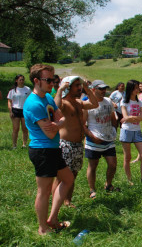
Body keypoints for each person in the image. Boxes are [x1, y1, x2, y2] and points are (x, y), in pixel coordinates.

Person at [23, 64, 74, 235]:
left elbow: (61, 120)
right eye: (48, 80)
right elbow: (50, 133)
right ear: (36, 81)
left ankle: (52, 218)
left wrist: (57, 124)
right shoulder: (34, 103)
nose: (52, 83)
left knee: (67, 178)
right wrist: (59, 123)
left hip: (52, 149)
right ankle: (42, 228)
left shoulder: (48, 98)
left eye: (54, 79)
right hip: (42, 150)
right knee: (44, 191)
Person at [53, 76, 98, 208]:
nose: (79, 88)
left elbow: (95, 104)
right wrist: (60, 90)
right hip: (66, 145)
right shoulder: (64, 103)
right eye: (77, 85)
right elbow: (56, 106)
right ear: (68, 87)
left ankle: (67, 201)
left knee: (73, 175)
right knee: (61, 177)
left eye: (80, 85)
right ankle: (56, 204)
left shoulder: (79, 102)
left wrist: (87, 88)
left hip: (78, 145)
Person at [83, 80, 119, 198]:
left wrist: (114, 129)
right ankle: (92, 189)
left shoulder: (108, 101)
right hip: (94, 140)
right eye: (101, 89)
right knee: (93, 166)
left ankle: (108, 184)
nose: (104, 91)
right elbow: (82, 124)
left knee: (113, 164)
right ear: (93, 89)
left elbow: (113, 117)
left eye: (105, 88)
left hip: (108, 138)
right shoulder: (87, 104)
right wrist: (91, 137)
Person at [121, 80, 142, 184]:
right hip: (126, 131)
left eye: (138, 88)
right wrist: (134, 118)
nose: (138, 90)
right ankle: (129, 180)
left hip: (137, 131)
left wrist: (131, 117)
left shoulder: (139, 102)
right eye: (136, 88)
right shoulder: (124, 101)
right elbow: (125, 117)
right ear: (131, 89)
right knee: (127, 157)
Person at [7, 74, 31, 149]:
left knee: (25, 128)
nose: (21, 81)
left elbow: (30, 100)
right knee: (15, 128)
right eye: (20, 80)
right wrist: (10, 111)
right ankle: (14, 145)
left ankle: (24, 144)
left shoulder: (27, 89)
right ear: (16, 81)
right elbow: (9, 101)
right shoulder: (13, 91)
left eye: (22, 80)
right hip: (15, 110)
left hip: (24, 110)